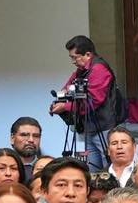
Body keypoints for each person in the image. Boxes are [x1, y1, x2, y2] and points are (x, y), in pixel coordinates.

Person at [51, 35, 122, 169]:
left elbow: (92, 102)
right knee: (91, 167)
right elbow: (69, 84)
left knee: (109, 166)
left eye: (75, 57)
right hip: (88, 126)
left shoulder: (99, 69)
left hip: (103, 127)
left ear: (88, 55)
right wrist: (61, 97)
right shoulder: (82, 70)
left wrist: (65, 107)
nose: (73, 61)